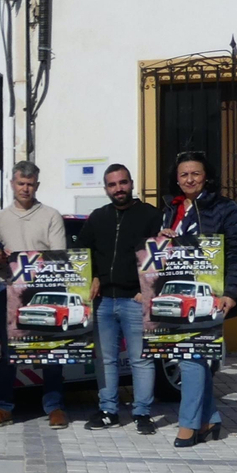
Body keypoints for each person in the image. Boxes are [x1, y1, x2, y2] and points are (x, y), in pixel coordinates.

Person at [160, 152, 237, 448]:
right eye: (184, 175)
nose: (189, 179)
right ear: (177, 179)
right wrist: (162, 240)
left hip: (209, 295)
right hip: (177, 293)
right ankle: (210, 418)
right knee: (194, 356)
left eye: (195, 174)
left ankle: (189, 424)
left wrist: (231, 293)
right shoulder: (170, 209)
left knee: (190, 356)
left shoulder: (226, 208)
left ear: (206, 176)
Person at [75, 164, 162, 433]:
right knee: (106, 360)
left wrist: (145, 289)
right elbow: (82, 253)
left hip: (134, 300)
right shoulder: (98, 217)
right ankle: (108, 411)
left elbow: (160, 256)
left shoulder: (150, 215)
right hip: (103, 302)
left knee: (141, 358)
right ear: (106, 188)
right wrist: (94, 277)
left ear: (131, 183)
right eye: (112, 185)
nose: (118, 189)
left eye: (123, 183)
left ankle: (143, 413)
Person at [0, 161, 69, 429]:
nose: (25, 188)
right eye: (21, 183)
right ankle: (4, 406)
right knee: (8, 354)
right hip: (8, 292)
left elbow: (57, 257)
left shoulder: (51, 216)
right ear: (12, 184)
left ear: (37, 186)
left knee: (49, 352)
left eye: (30, 184)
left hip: (44, 293)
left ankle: (54, 406)